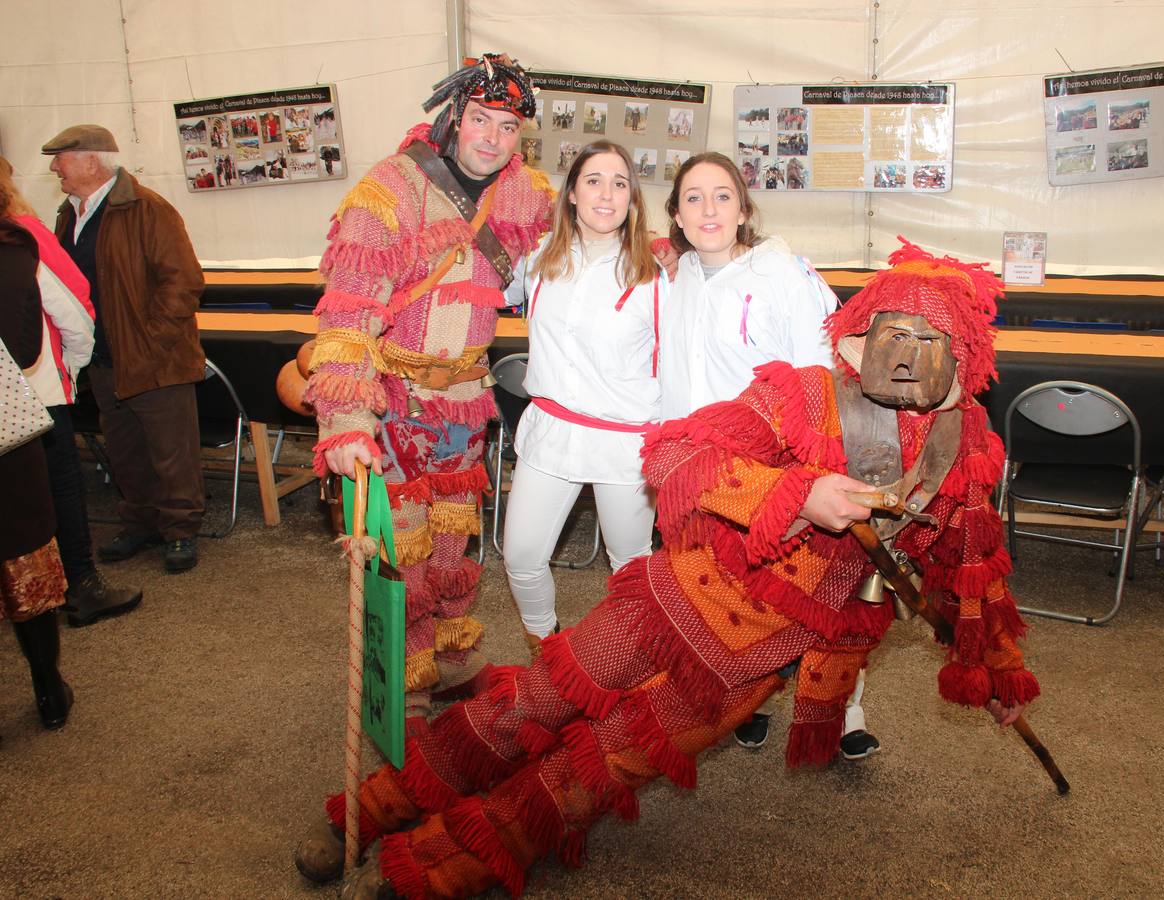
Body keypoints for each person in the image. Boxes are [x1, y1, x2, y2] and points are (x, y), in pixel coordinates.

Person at [313, 238, 1039, 900]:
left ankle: (446, 863)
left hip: (757, 663)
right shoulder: (804, 394)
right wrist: (797, 494)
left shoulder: (966, 453)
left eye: (930, 339)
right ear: (864, 335)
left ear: (963, 354)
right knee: (534, 700)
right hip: (673, 604)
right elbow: (676, 455)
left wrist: (999, 676)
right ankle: (375, 809)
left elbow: (971, 573)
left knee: (607, 763)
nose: (909, 355)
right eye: (895, 334)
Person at [302, 53, 553, 740]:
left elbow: (593, 236)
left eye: (508, 127)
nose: (492, 139)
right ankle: (406, 682)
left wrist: (672, 247)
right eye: (480, 120)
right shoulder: (388, 190)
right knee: (403, 549)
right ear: (452, 118)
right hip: (396, 403)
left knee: (454, 543)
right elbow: (349, 312)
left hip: (465, 407)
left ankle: (446, 665)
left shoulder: (524, 193)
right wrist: (348, 420)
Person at [658, 151, 878, 759]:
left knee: (811, 594)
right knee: (724, 598)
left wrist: (821, 464)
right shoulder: (669, 281)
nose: (709, 209)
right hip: (703, 472)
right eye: (694, 197)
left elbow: (820, 369)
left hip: (777, 466)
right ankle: (743, 698)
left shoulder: (777, 271)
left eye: (723, 195)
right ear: (676, 215)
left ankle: (848, 711)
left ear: (744, 208)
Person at [500, 141, 662, 656]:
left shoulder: (658, 278)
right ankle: (547, 654)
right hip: (552, 430)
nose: (607, 193)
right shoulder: (538, 260)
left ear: (633, 200)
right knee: (521, 555)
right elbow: (476, 284)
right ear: (571, 193)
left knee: (631, 569)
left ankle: (629, 666)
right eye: (594, 180)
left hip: (625, 443)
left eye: (620, 183)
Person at [43, 124, 207, 573]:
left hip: (156, 358)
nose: (55, 167)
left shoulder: (148, 209)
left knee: (172, 450)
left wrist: (151, 340)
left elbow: (183, 281)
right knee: (125, 449)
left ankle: (180, 531)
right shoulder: (67, 214)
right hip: (101, 359)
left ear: (92, 161)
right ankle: (140, 523)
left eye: (62, 158)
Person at [0, 157, 142, 627]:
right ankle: (80, 585)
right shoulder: (22, 234)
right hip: (34, 387)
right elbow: (72, 303)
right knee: (56, 488)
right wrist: (72, 368)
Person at [0, 214, 73, 731]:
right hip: (3, 439)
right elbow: (23, 347)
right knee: (22, 561)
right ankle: (48, 688)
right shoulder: (9, 251)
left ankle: (50, 687)